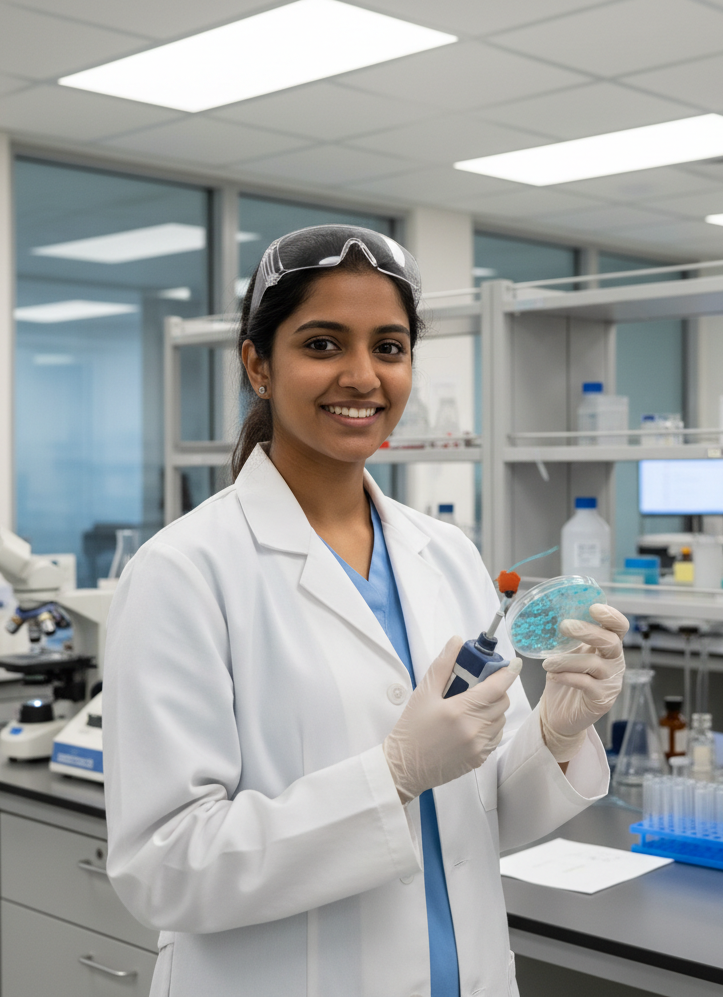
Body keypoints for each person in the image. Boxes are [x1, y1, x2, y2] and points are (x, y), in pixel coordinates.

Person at [103, 225, 627, 997]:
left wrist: (556, 732)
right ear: (258, 365)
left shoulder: (444, 552)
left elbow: (480, 817)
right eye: (322, 345)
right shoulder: (185, 570)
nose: (362, 377)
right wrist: (391, 777)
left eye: (389, 347)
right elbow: (167, 869)